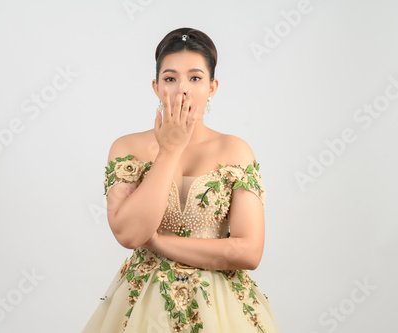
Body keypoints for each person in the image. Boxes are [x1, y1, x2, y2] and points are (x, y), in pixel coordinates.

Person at [82, 27, 280, 333]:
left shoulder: (235, 150)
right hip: (145, 304)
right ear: (156, 86)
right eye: (170, 78)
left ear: (213, 87)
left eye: (195, 78)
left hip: (221, 307)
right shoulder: (127, 148)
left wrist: (159, 242)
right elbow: (130, 235)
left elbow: (249, 253)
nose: (182, 89)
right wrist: (170, 150)